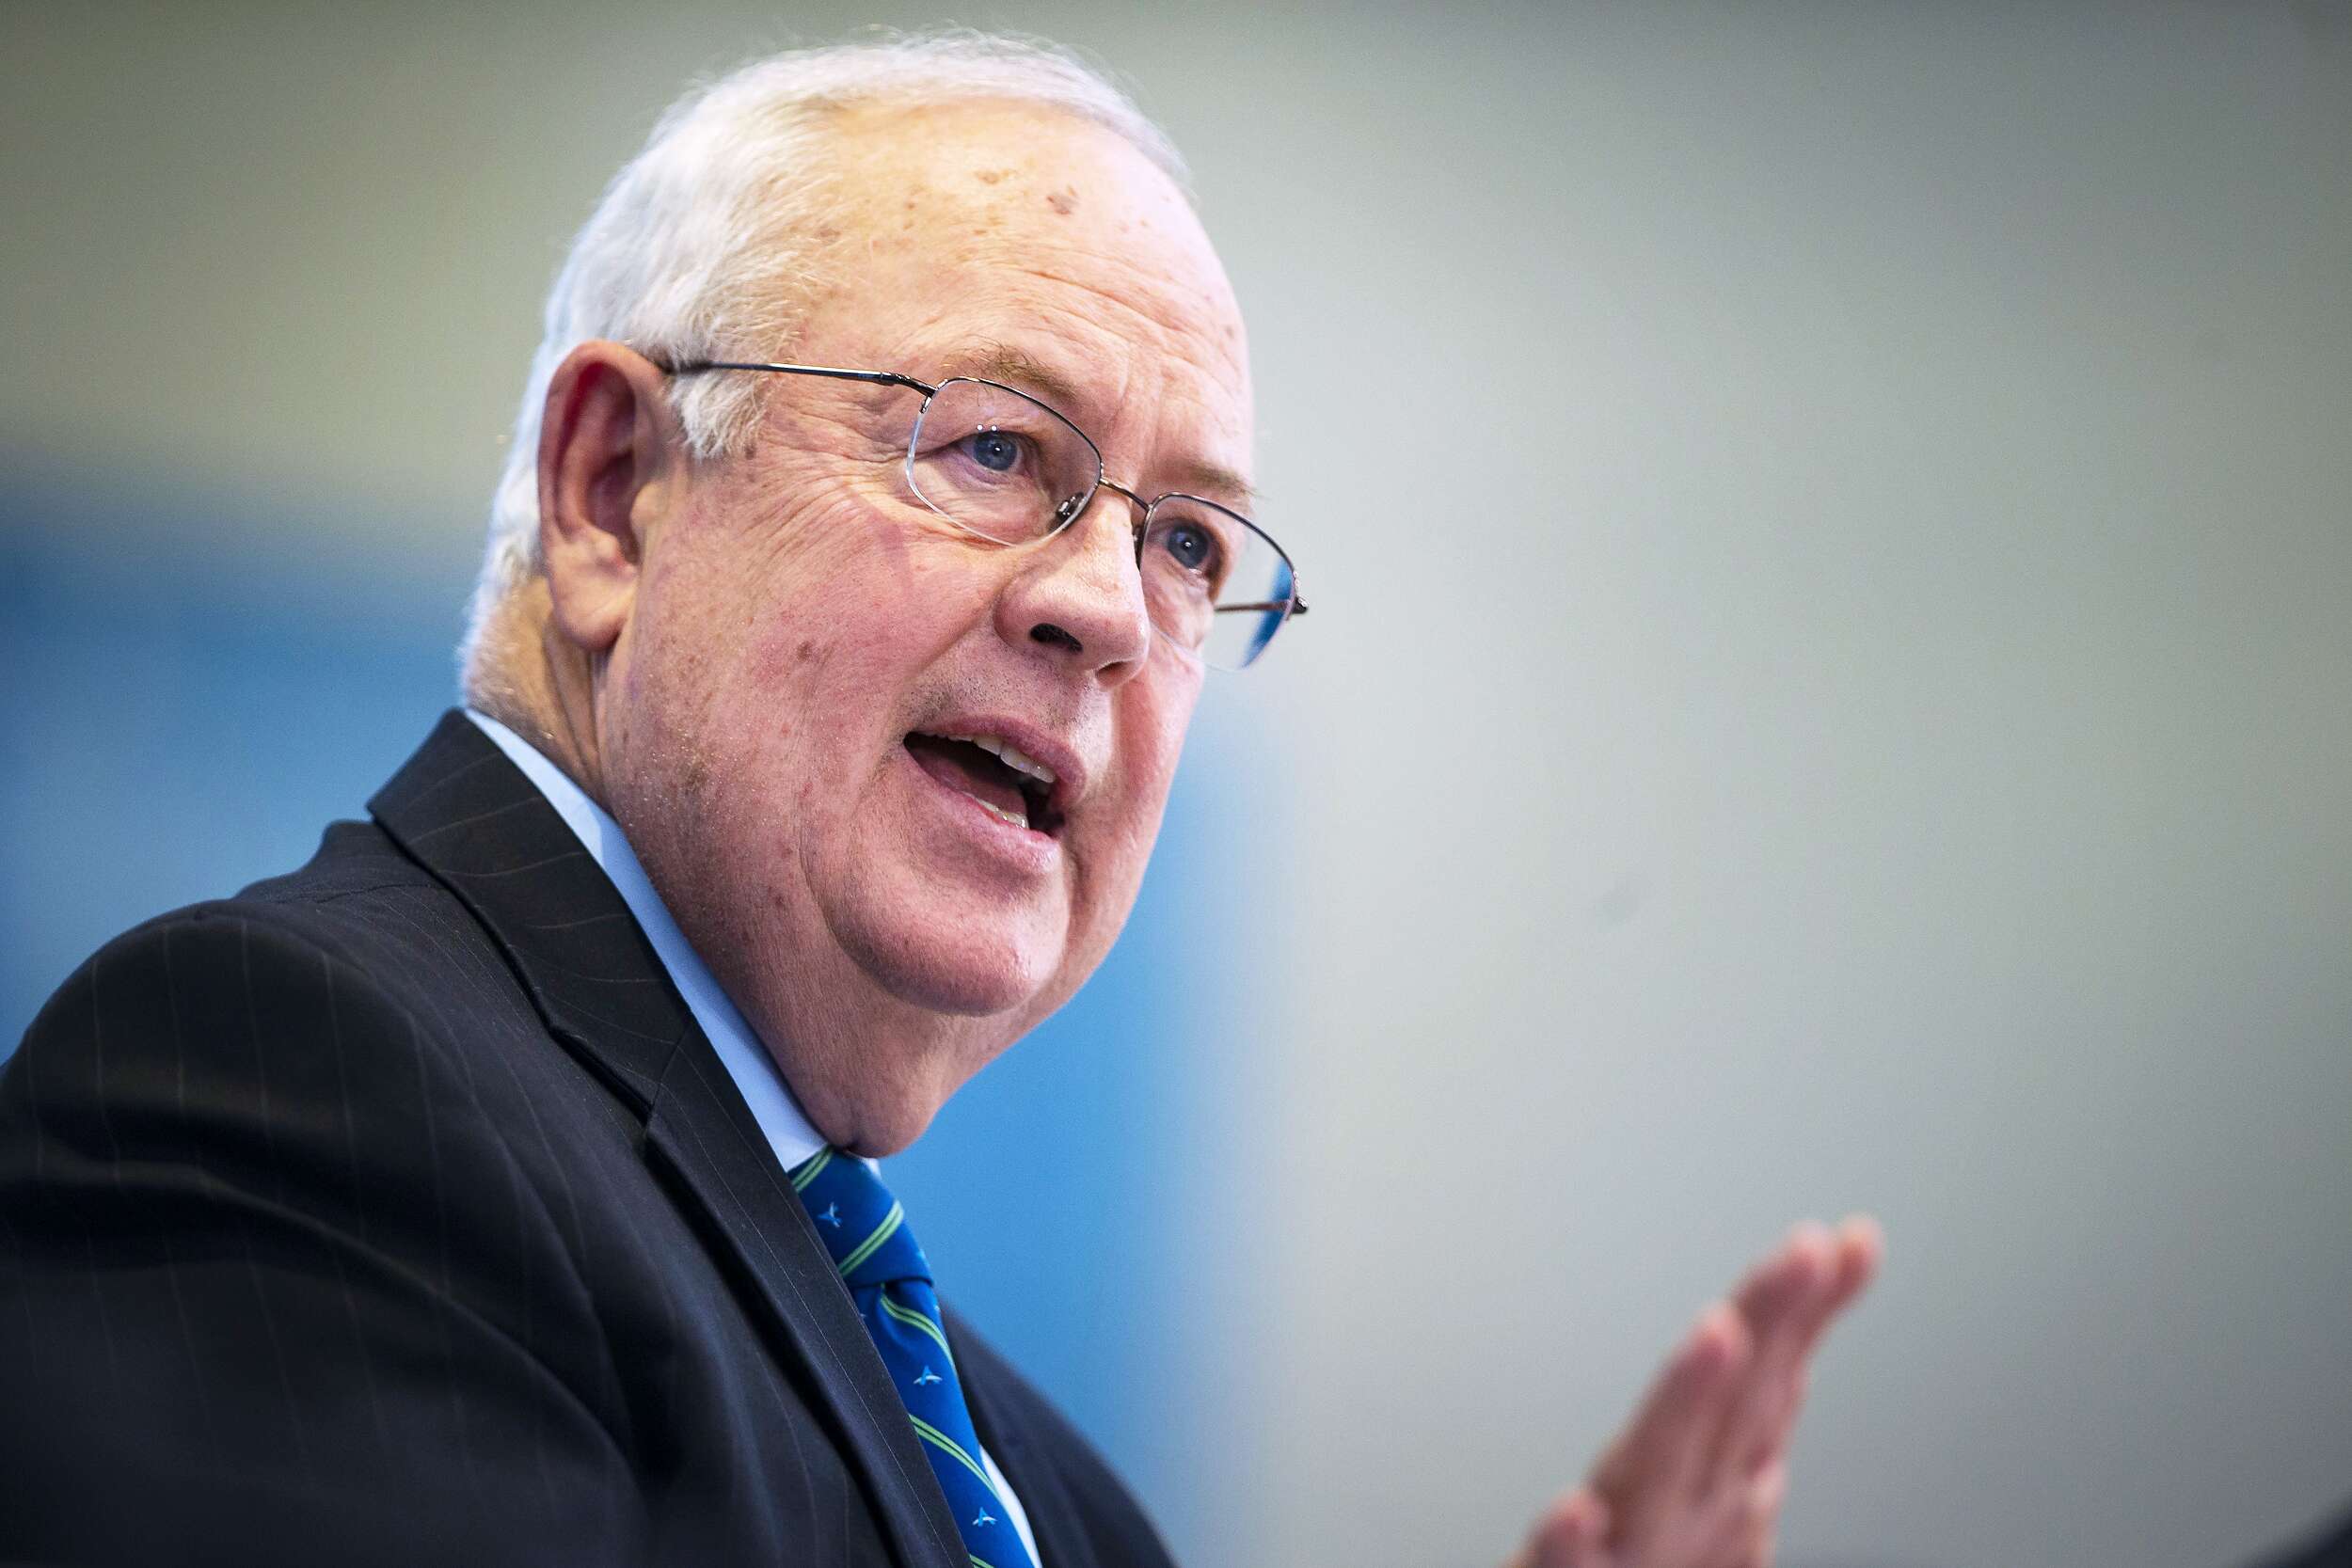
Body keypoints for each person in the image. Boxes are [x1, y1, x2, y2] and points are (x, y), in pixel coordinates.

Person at [0, 34, 1879, 1568]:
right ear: (609, 493)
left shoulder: (1056, 1499)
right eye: (990, 448)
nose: (1103, 613)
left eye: (1186, 543)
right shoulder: (299, 1095)